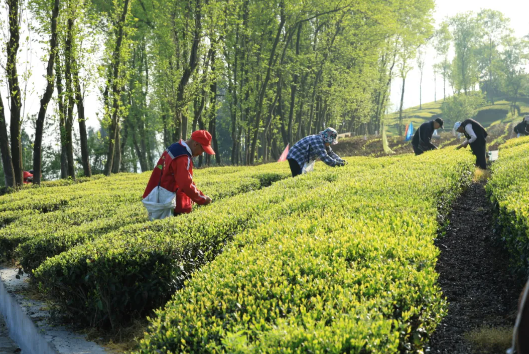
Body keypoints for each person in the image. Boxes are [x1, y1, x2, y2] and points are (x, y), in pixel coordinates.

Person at [142, 130, 214, 220]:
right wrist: (203, 199)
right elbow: (185, 185)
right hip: (167, 199)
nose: (201, 154)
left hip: (158, 194)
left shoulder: (174, 147)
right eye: (202, 150)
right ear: (196, 144)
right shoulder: (183, 157)